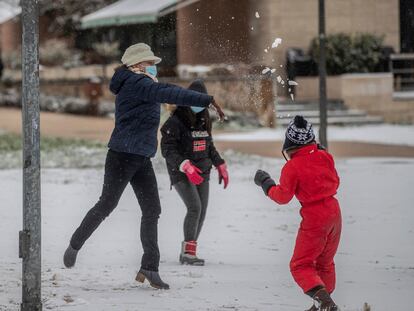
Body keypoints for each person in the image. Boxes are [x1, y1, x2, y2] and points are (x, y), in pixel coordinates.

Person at [63, 43, 225, 290]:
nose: (154, 67)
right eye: (150, 64)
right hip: (121, 156)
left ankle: (150, 267)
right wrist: (206, 99)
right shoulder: (137, 84)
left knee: (152, 210)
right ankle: (75, 243)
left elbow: (165, 92)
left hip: (141, 158)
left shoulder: (141, 83)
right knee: (107, 204)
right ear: (138, 65)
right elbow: (170, 93)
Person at [254, 115, 341, 311]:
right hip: (334, 213)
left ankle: (325, 303)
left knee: (300, 264)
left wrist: (266, 184)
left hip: (315, 218)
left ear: (289, 145)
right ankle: (321, 303)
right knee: (325, 262)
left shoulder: (292, 167)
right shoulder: (325, 157)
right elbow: (336, 181)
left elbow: (283, 197)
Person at [160, 79, 229, 266]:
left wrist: (220, 163)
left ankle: (189, 251)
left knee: (202, 210)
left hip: (202, 170)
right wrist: (184, 165)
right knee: (194, 207)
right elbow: (167, 149)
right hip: (181, 171)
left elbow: (209, 145)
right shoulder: (175, 122)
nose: (200, 107)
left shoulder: (204, 117)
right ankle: (188, 255)